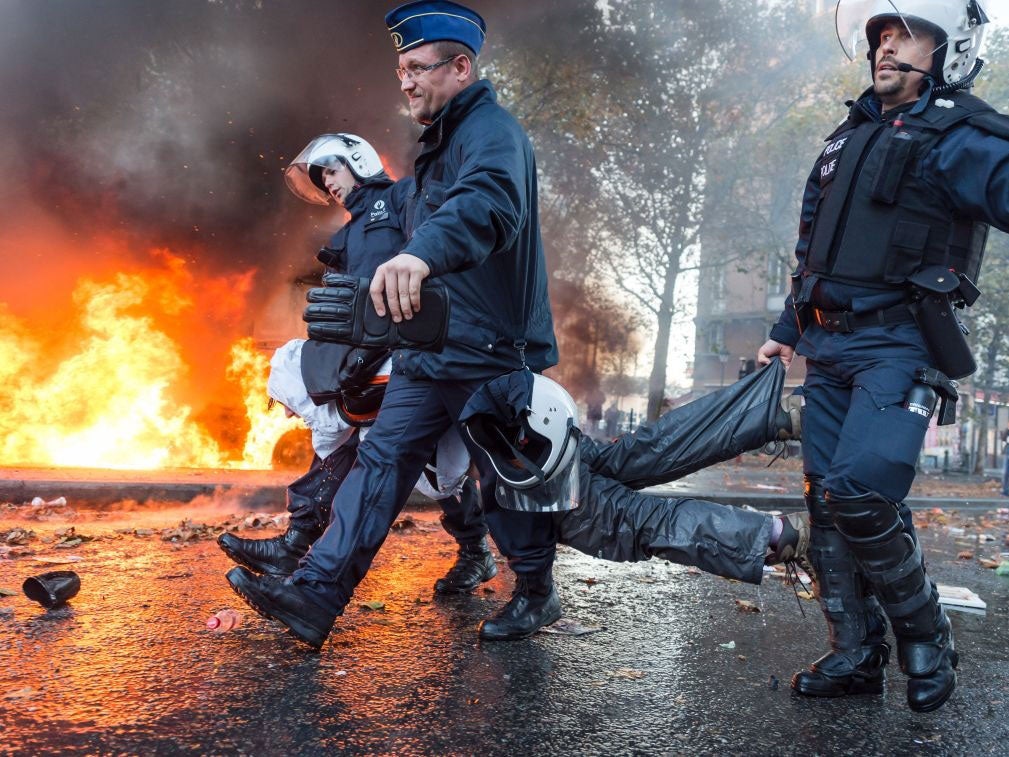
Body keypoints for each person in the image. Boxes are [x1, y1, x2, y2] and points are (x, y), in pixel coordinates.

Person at [227, 0, 562, 649]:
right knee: (379, 462)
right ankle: (315, 594)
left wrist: (419, 255)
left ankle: (535, 589)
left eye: (418, 68)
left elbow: (486, 203)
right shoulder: (438, 148)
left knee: (498, 472)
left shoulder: (491, 133)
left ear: (460, 67)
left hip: (489, 347)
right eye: (400, 70)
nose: (405, 82)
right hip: (431, 345)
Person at [757, 0, 1009, 713]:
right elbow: (812, 250)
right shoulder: (844, 138)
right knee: (826, 501)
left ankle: (927, 634)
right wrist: (785, 326)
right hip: (827, 345)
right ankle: (854, 653)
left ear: (949, 49)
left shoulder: (959, 135)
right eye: (882, 36)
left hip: (900, 341)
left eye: (907, 35)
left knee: (861, 491)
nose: (887, 48)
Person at [218, 133, 495, 594]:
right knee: (369, 436)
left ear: (358, 160)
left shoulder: (403, 197)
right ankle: (299, 542)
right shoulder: (349, 232)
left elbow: (444, 249)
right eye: (322, 178)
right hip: (371, 354)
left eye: (332, 170)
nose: (328, 183)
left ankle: (488, 555)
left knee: (427, 454)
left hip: (417, 350)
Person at [460, 361, 810, 582]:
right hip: (516, 404)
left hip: (518, 440)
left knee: (628, 520)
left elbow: (436, 471)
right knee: (642, 453)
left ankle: (782, 535)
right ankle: (774, 417)